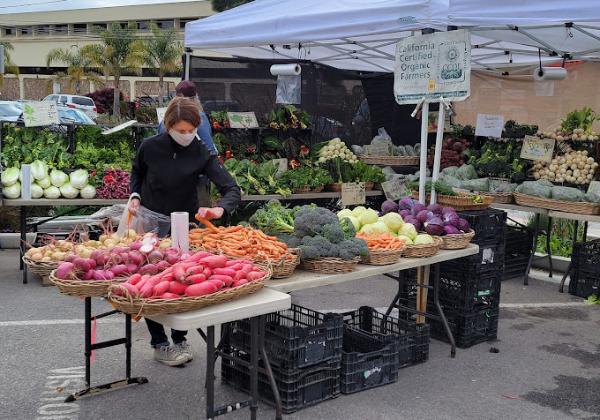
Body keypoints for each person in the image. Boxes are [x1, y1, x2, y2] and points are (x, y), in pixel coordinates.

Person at [129, 96, 241, 366]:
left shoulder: (201, 151)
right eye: (181, 131)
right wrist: (134, 196)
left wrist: (219, 210)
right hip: (151, 227)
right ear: (168, 126)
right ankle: (160, 343)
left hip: (184, 226)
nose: (187, 136)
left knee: (184, 282)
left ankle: (179, 337)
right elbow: (137, 173)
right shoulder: (149, 147)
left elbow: (232, 188)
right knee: (151, 282)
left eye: (191, 131)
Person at [157, 80, 218, 154]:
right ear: (196, 98)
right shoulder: (199, 116)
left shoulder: (165, 119)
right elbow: (209, 149)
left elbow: (158, 145)